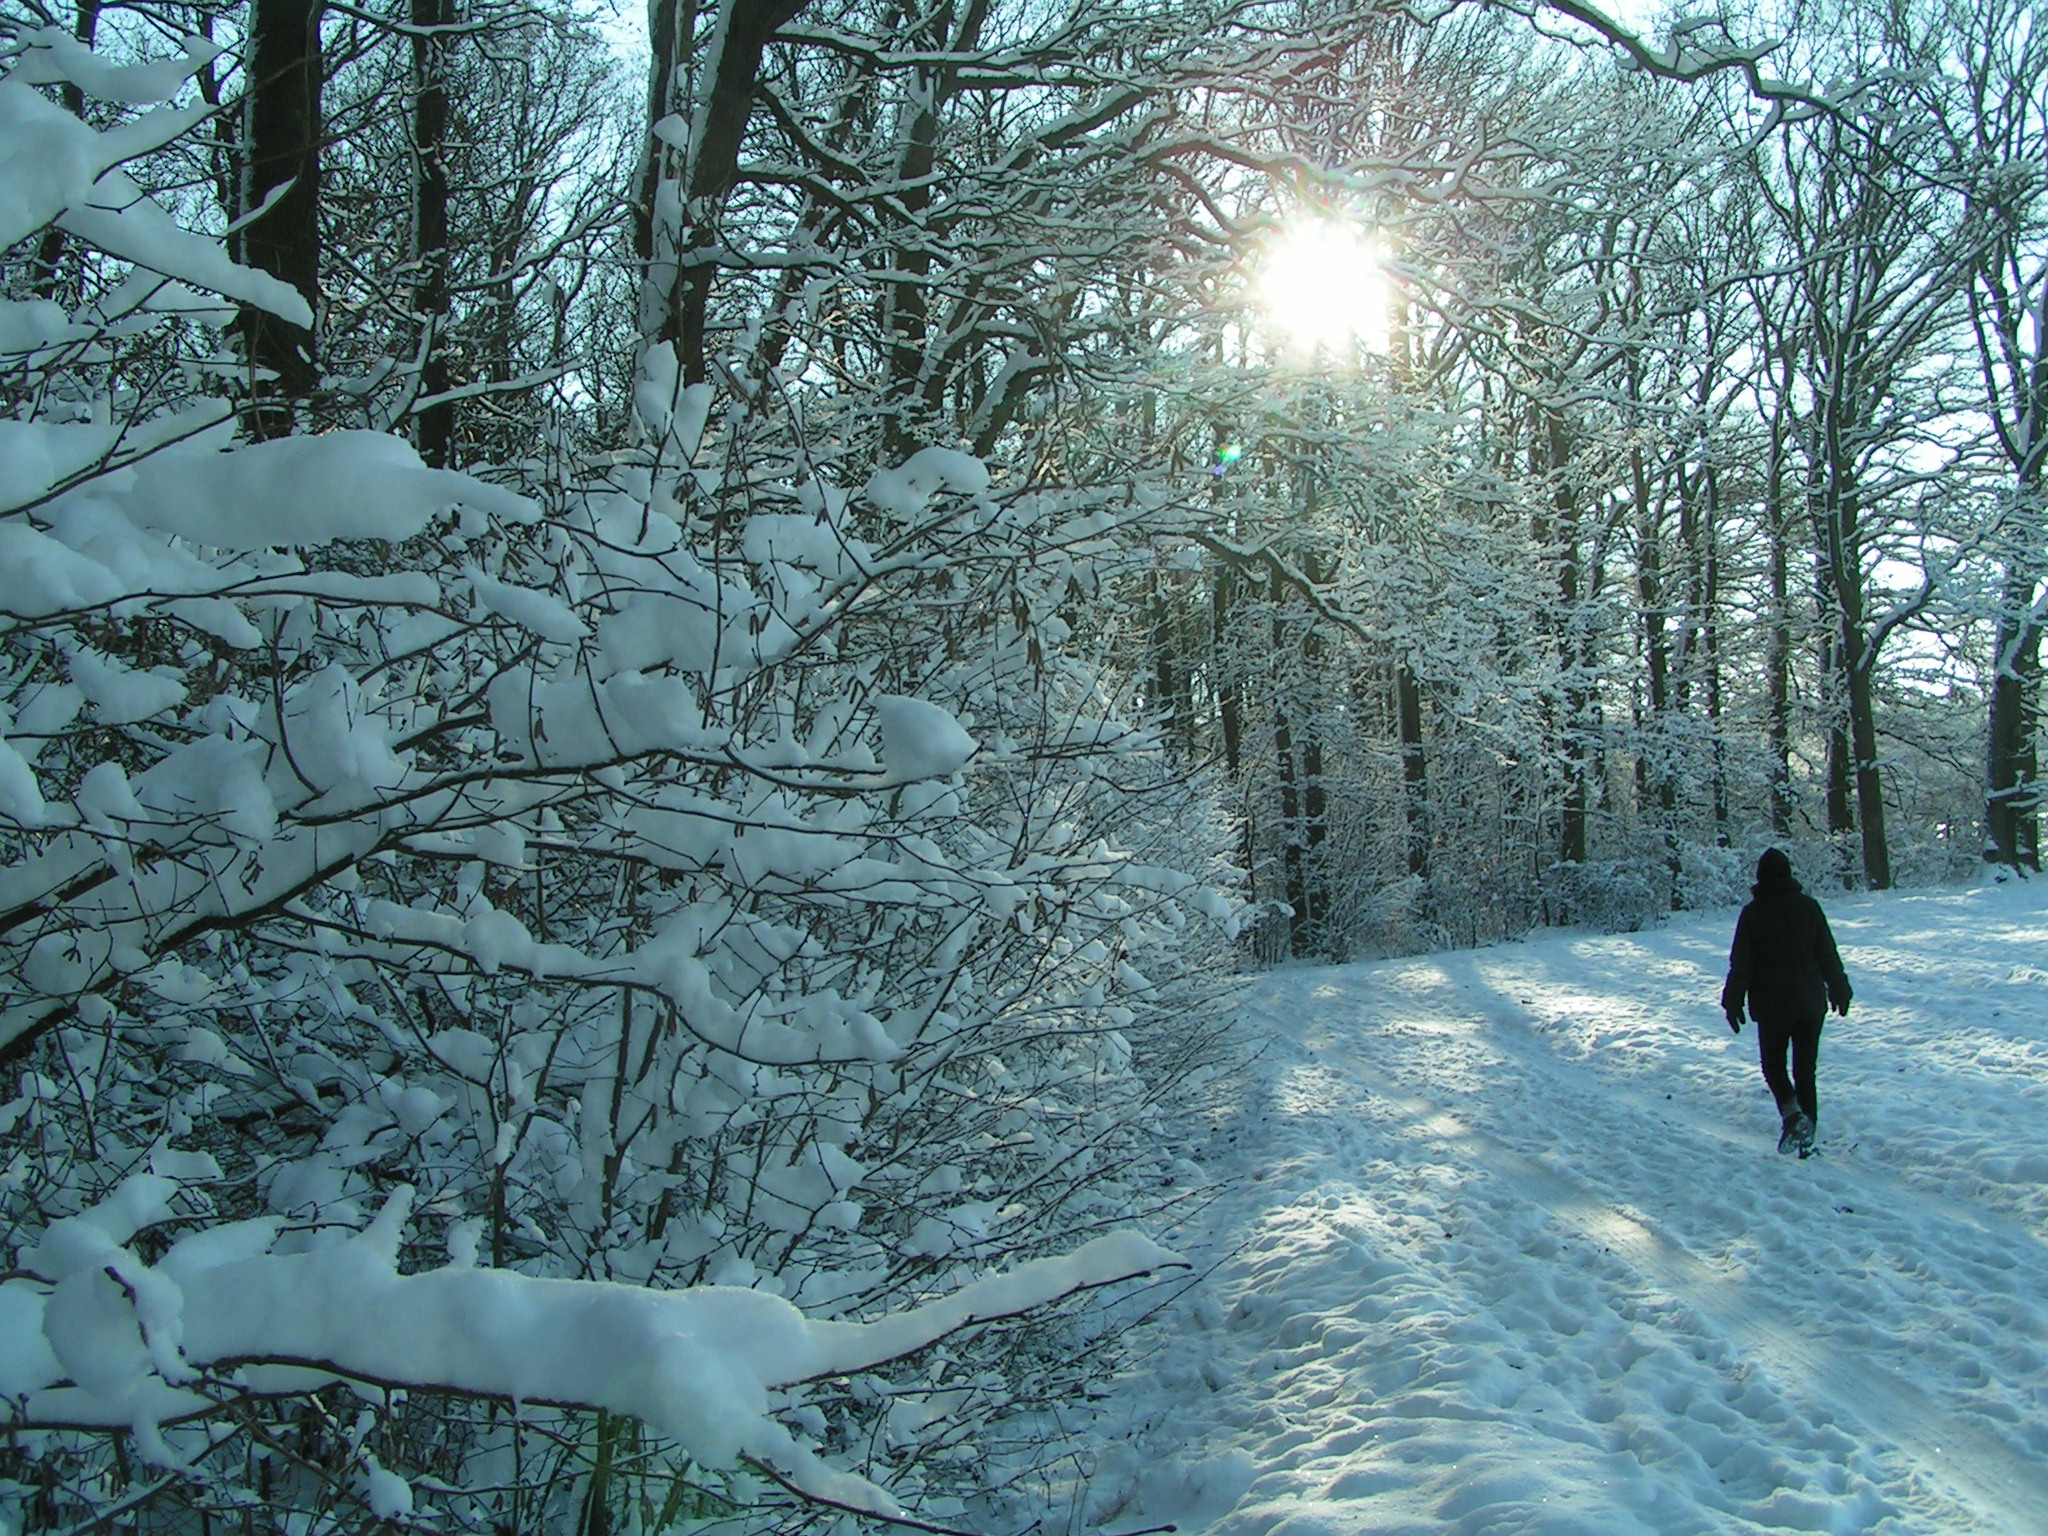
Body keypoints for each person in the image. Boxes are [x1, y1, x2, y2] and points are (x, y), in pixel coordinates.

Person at [1720, 848, 1852, 1156]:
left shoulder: (1753, 913)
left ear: (1760, 877)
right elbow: (1827, 954)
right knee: (1805, 1071)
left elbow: (1741, 964)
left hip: (1772, 1005)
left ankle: (1793, 1116)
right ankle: (1807, 1136)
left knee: (1773, 1066)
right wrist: (1840, 988)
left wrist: (1733, 1001)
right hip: (1809, 1002)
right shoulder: (1809, 907)